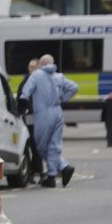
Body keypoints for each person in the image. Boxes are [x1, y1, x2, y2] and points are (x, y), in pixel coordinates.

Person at [18, 54, 79, 188]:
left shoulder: (37, 75)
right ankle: (52, 175)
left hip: (43, 113)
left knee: (41, 144)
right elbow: (74, 87)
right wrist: (63, 98)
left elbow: (26, 90)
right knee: (55, 144)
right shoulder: (58, 76)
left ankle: (62, 167)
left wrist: (22, 102)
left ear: (41, 64)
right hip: (57, 111)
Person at [17, 58, 44, 184]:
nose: (32, 69)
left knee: (37, 144)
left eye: (34, 67)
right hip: (30, 116)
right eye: (30, 67)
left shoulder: (40, 81)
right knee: (33, 144)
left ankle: (36, 171)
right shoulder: (25, 82)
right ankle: (36, 171)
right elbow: (21, 98)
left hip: (39, 116)